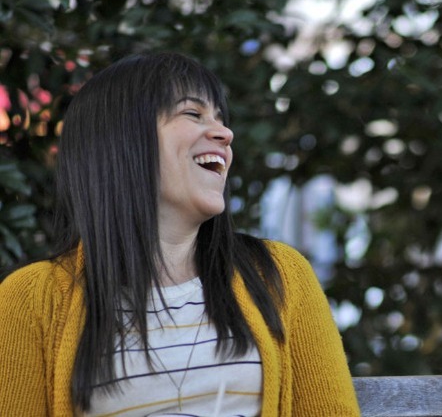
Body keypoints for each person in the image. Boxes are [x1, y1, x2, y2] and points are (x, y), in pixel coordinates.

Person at [0, 52, 360, 416]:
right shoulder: (29, 300)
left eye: (220, 118)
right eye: (192, 113)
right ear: (121, 140)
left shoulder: (279, 276)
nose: (225, 133)